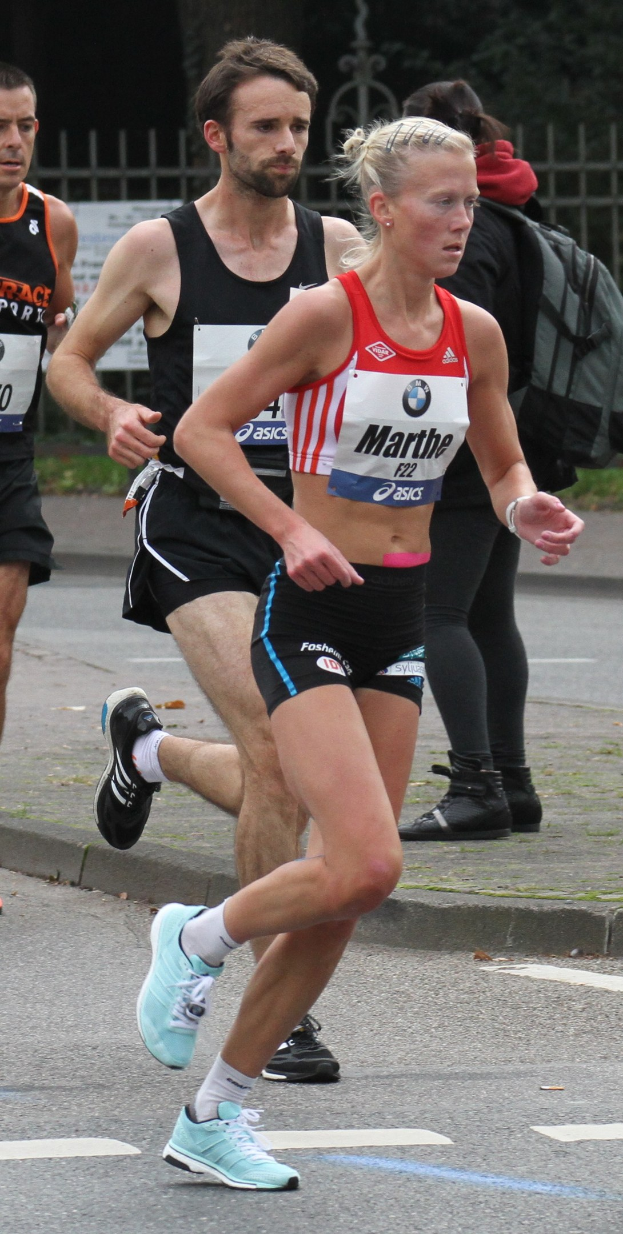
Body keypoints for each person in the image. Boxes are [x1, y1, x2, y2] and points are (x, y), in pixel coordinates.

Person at [130, 117, 583, 1190]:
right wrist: (290, 527)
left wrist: (526, 509)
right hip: (308, 612)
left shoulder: (471, 330)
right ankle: (195, 936)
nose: (461, 220)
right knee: (368, 859)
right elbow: (200, 431)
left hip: (397, 613)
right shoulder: (322, 316)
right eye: (440, 201)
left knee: (346, 892)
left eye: (469, 200)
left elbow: (501, 459)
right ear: (381, 209)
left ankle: (212, 1112)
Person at [47, 38, 361, 1083]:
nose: (286, 146)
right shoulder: (159, 248)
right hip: (195, 528)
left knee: (297, 770)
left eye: (299, 129)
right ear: (217, 135)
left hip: (302, 528)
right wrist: (110, 414)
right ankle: (275, 996)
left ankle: (149, 752)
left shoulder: (337, 247)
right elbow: (69, 360)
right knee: (280, 752)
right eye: (266, 127)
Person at [397, 80, 571, 842]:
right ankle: (512, 782)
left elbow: (444, 344)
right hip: (509, 441)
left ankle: (476, 786)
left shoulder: (469, 232)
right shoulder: (514, 211)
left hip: (463, 449)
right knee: (489, 616)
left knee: (437, 613)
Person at [0, 62, 77, 746]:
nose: (12, 141)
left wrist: (64, 332)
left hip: (9, 456)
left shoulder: (52, 221)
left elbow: (63, 318)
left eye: (24, 125)